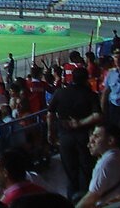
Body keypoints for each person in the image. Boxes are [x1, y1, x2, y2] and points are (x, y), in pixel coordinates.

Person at [49, 67, 101, 199]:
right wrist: (80, 123)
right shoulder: (91, 95)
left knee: (70, 172)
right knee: (87, 170)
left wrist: (50, 132)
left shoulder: (60, 93)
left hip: (65, 137)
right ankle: (86, 199)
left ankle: (73, 200)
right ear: (86, 79)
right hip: (84, 138)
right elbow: (97, 116)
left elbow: (50, 114)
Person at [78, 124, 120, 208]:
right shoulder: (119, 156)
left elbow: (90, 198)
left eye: (96, 136)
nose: (90, 143)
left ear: (110, 140)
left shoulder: (106, 162)